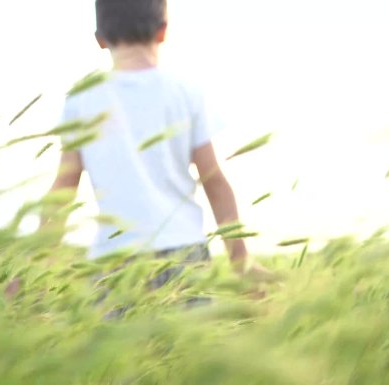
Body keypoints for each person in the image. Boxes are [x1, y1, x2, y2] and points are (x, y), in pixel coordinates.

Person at [37, 0, 275, 291]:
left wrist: (39, 265)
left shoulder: (81, 98)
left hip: (112, 262)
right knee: (188, 337)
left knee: (115, 338)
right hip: (184, 255)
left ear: (99, 39)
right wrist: (240, 260)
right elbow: (214, 182)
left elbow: (62, 189)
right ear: (163, 31)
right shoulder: (185, 92)